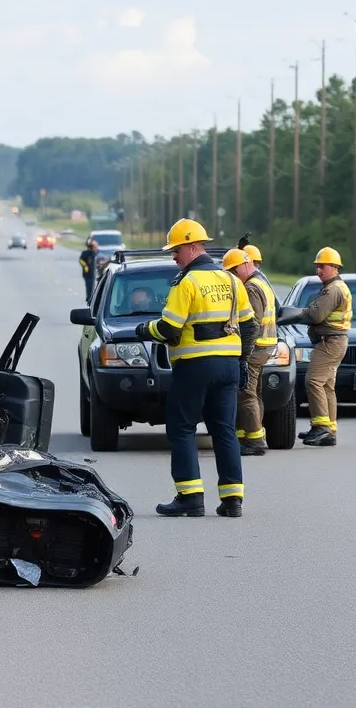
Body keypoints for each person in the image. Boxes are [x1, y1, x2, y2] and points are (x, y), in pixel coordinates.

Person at [135, 219, 256, 518]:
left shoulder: (186, 282)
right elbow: (250, 325)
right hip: (228, 366)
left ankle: (190, 496)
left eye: (176, 250)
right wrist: (241, 362)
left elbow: (170, 329)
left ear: (192, 246)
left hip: (195, 366)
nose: (174, 257)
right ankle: (232, 500)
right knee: (225, 430)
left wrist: (144, 329)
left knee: (182, 428)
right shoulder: (230, 280)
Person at [292, 247, 352, 447]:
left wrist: (299, 313)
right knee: (326, 385)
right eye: (317, 267)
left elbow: (315, 315)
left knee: (313, 381)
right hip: (335, 341)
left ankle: (321, 428)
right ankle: (329, 429)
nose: (319, 270)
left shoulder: (332, 290)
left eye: (322, 266)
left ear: (335, 267)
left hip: (330, 342)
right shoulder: (337, 287)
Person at [222, 242, 277, 456]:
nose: (234, 278)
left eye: (234, 272)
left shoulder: (252, 288)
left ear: (243, 267)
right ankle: (251, 434)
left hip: (256, 347)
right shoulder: (261, 282)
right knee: (255, 393)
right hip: (265, 346)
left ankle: (254, 440)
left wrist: (243, 355)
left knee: (245, 393)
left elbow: (251, 324)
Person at [78, 238, 99, 303]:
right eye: (94, 247)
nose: (96, 248)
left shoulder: (93, 253)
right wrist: (85, 266)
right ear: (91, 247)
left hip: (92, 273)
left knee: (92, 286)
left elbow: (97, 252)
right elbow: (81, 260)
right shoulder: (86, 253)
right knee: (89, 285)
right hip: (86, 273)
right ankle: (89, 298)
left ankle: (91, 298)